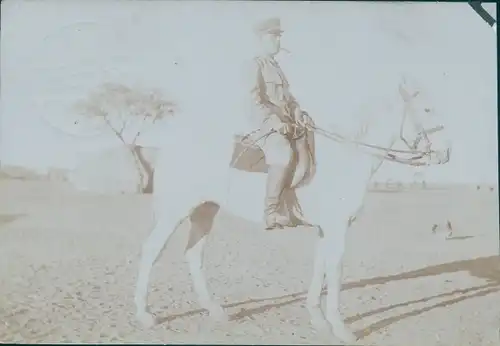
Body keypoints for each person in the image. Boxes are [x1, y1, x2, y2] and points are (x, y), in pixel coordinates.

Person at [246, 17, 314, 230]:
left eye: (278, 36)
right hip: (265, 126)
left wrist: (299, 113)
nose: (277, 40)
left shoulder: (276, 68)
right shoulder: (255, 65)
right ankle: (271, 212)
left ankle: (294, 208)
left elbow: (288, 99)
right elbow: (253, 100)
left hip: (286, 124)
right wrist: (274, 121)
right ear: (260, 39)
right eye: (273, 36)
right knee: (283, 153)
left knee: (308, 147)